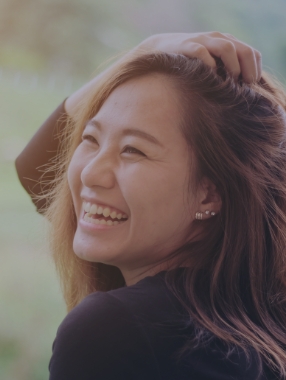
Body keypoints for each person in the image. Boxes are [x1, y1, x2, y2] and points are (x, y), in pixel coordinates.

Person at [15, 32, 286, 379]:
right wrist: (144, 53)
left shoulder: (119, 331)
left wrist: (141, 51)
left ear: (210, 193)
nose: (92, 174)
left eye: (134, 150)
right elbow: (42, 176)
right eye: (90, 138)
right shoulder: (258, 315)